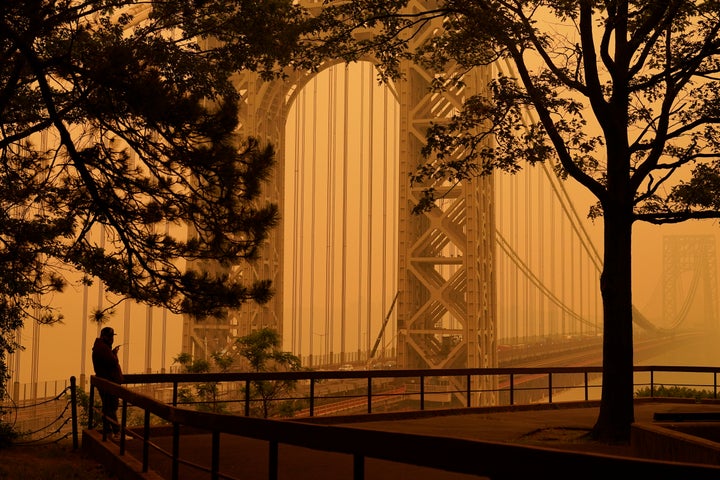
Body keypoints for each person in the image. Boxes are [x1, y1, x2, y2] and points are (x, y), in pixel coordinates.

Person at [91, 326, 124, 439]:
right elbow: (113, 362)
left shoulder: (100, 347)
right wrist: (114, 353)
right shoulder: (103, 348)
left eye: (112, 336)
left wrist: (111, 351)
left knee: (107, 408)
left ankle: (108, 431)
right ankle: (117, 432)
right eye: (110, 336)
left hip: (106, 383)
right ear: (105, 337)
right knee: (111, 408)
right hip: (109, 384)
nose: (112, 339)